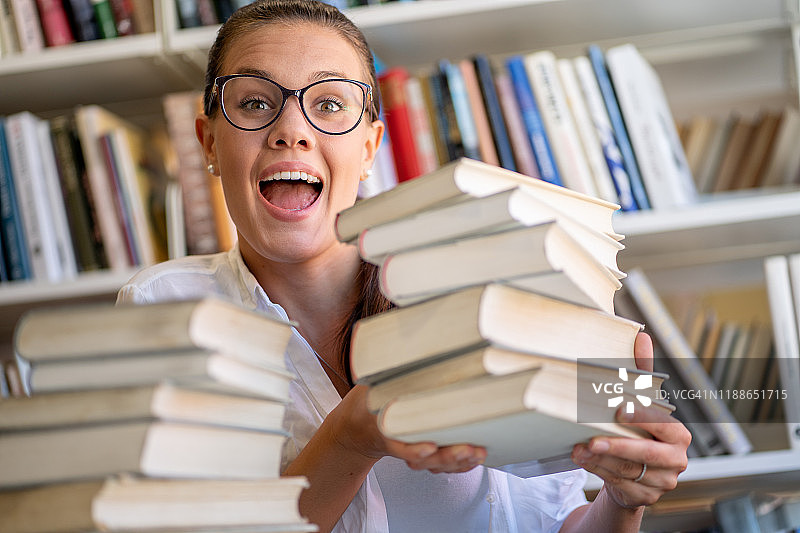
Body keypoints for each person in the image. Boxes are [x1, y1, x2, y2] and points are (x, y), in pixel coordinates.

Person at [117, 1, 691, 531]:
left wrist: (622, 498)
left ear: (370, 147)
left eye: (330, 103)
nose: (291, 130)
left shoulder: (480, 284)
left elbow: (551, 517)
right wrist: (350, 437)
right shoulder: (162, 311)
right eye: (254, 103)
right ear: (209, 142)